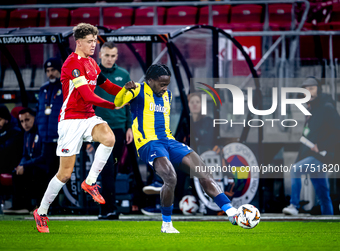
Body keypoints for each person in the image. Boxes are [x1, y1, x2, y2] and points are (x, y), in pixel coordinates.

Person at [115, 63, 237, 233]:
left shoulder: (168, 96)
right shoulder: (138, 89)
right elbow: (117, 102)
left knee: (204, 171)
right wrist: (124, 90)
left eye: (167, 84)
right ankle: (166, 224)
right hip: (148, 143)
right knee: (171, 178)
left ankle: (232, 213)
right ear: (150, 81)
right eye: (161, 84)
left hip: (168, 141)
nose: (165, 88)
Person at [33, 23, 123, 233]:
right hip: (70, 121)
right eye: (90, 41)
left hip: (88, 117)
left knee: (109, 138)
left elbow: (107, 85)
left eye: (95, 41)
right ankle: (42, 211)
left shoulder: (92, 63)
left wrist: (129, 92)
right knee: (64, 174)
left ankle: (90, 182)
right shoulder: (71, 64)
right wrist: (114, 104)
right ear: (79, 42)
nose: (94, 45)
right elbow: (88, 95)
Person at [282, 77, 340, 215]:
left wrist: (321, 146)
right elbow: (307, 139)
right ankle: (329, 222)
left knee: (295, 170)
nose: (308, 92)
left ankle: (294, 206)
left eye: (312, 88)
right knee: (323, 195)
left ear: (318, 90)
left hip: (321, 156)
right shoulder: (311, 111)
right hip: (312, 155)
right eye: (306, 89)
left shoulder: (327, 108)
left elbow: (337, 132)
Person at [94, 41, 133, 220]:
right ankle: (109, 209)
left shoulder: (123, 74)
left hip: (118, 129)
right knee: (106, 169)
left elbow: (129, 103)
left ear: (116, 57)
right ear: (100, 55)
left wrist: (129, 127)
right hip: (99, 129)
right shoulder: (93, 73)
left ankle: (108, 208)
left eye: (113, 56)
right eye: (106, 55)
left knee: (113, 170)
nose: (109, 59)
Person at [3, 108, 47, 214]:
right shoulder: (26, 134)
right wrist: (22, 165)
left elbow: (43, 157)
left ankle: (30, 205)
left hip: (43, 167)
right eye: (22, 121)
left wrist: (25, 165)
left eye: (27, 120)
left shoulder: (42, 132)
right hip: (31, 165)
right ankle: (20, 205)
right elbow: (25, 154)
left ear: (35, 118)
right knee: (16, 172)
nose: (24, 124)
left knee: (30, 172)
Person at [36, 58, 63, 179]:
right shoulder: (43, 90)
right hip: (45, 140)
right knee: (47, 175)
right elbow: (39, 112)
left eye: (53, 70)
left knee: (59, 175)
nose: (50, 73)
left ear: (59, 71)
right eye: (47, 71)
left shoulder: (66, 88)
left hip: (60, 140)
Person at [0, 105, 24, 202]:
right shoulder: (3, 130)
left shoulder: (15, 131)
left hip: (11, 164)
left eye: (0, 119)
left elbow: (6, 150)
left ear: (6, 119)